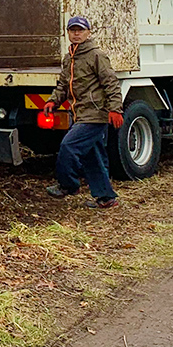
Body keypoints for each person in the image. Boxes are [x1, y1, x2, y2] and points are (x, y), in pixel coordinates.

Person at [41, 15, 124, 209]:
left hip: (94, 115)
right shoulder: (69, 57)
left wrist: (115, 110)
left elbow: (111, 83)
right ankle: (106, 198)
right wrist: (53, 101)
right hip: (79, 113)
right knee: (92, 156)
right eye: (72, 30)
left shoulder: (97, 55)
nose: (76, 33)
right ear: (68, 33)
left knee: (68, 147)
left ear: (88, 32)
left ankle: (68, 186)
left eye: (80, 30)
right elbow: (63, 84)